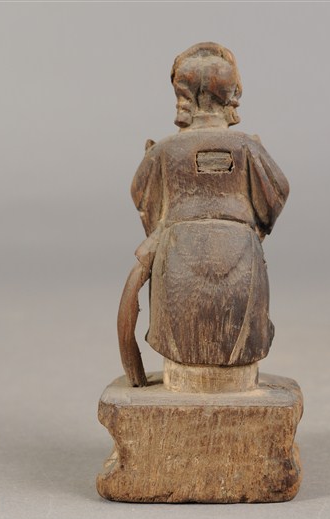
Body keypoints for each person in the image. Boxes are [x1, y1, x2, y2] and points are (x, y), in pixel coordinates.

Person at [118, 42, 289, 388]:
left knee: (181, 350)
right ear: (232, 94)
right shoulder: (248, 147)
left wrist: (163, 231)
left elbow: (142, 195)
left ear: (182, 95)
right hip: (241, 258)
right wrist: (254, 230)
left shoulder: (163, 151)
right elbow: (277, 193)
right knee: (238, 347)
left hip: (177, 260)